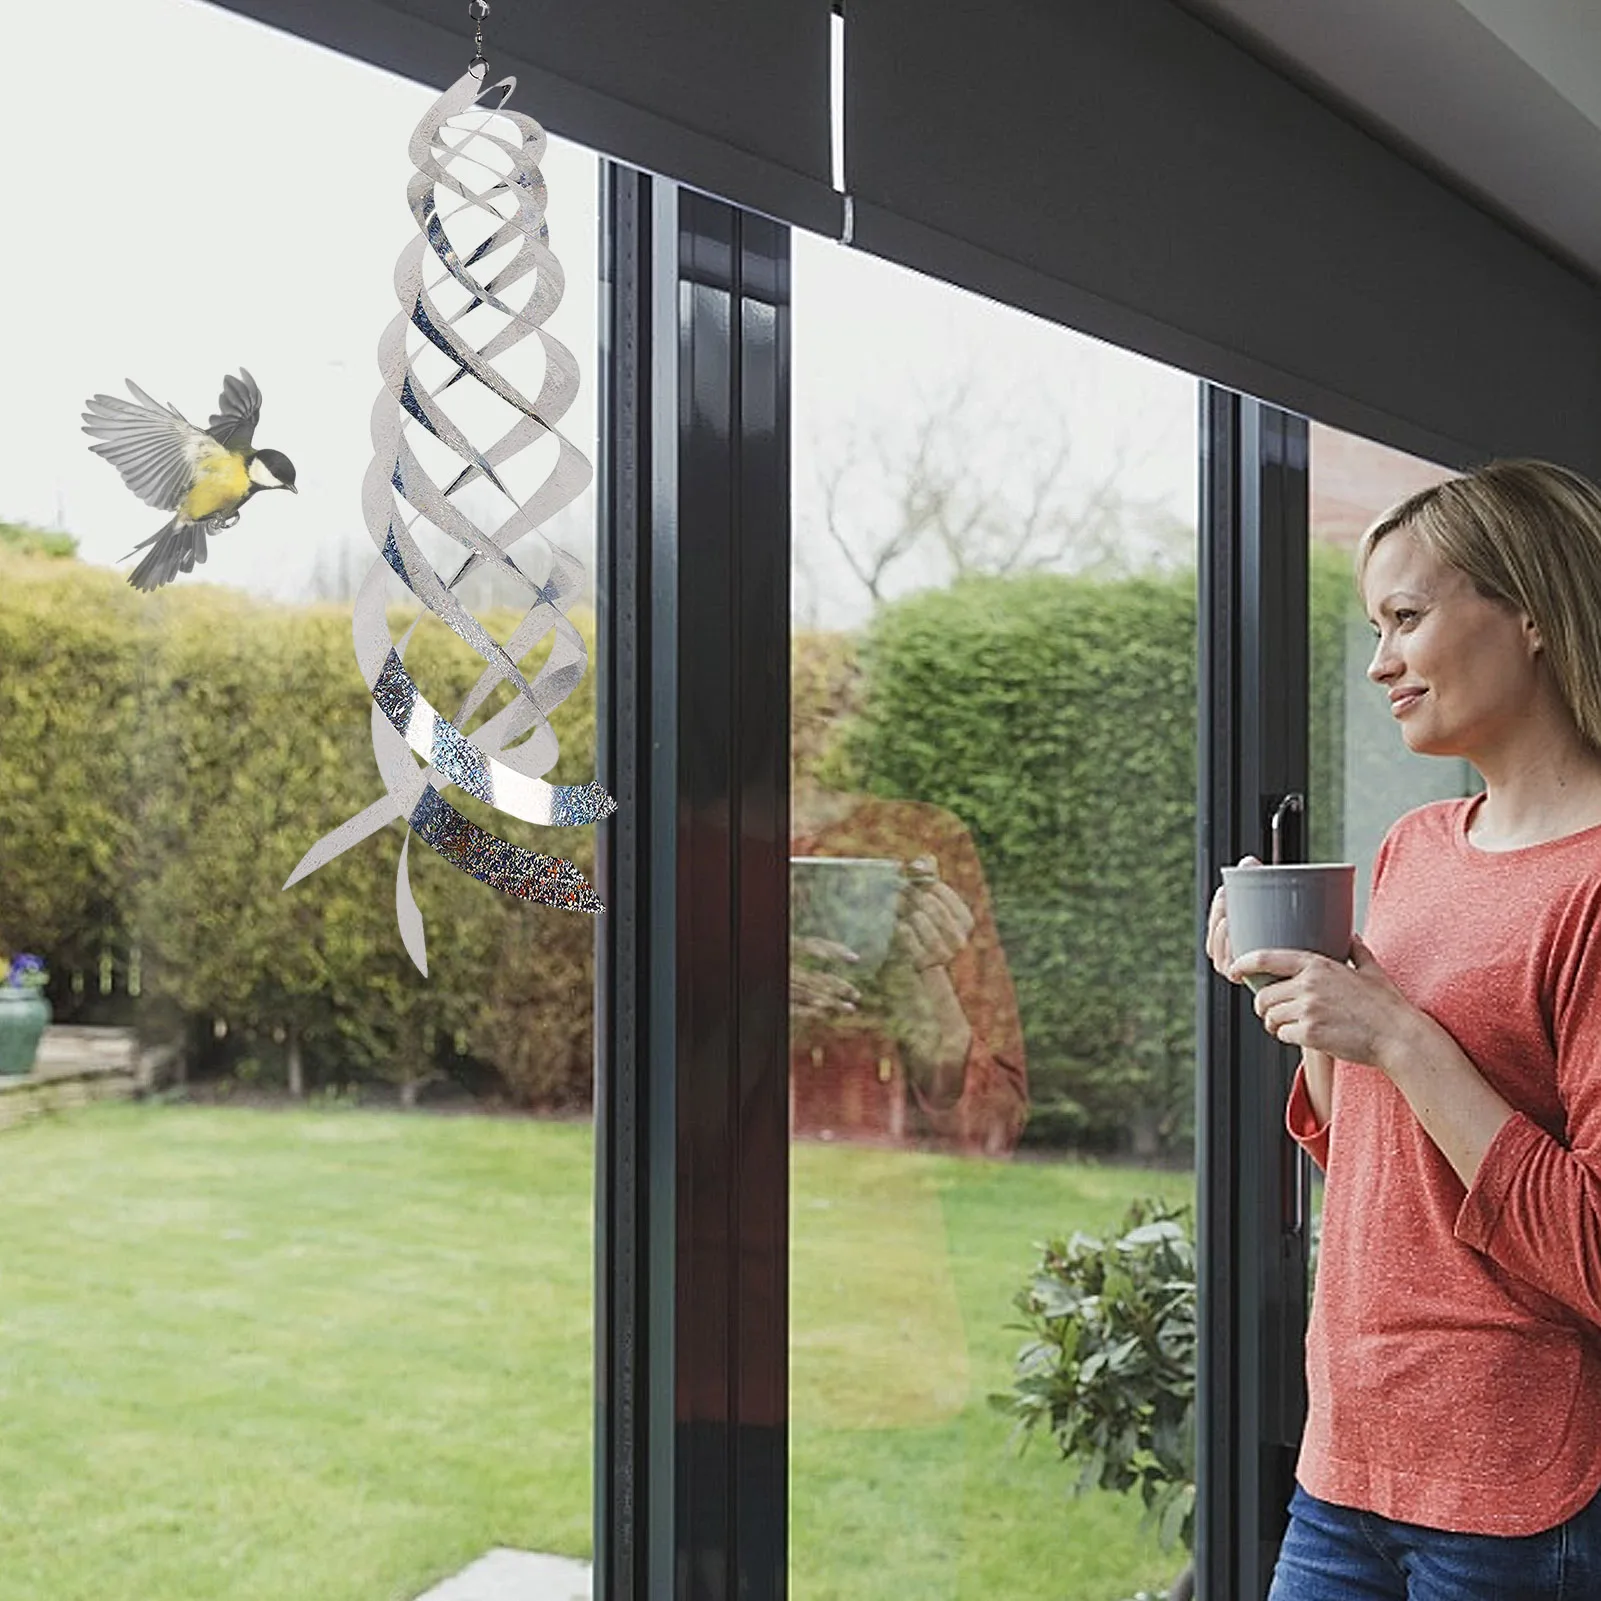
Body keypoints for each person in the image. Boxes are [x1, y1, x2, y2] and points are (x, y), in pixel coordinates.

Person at [1206, 458, 1601, 1598]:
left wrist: (1400, 1037)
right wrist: (1308, 1000)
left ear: (1530, 612)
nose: (1378, 659)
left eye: (1406, 617)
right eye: (1373, 626)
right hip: (1346, 1459)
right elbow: (1372, 1164)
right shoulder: (1412, 848)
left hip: (1514, 1494)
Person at [790, 779, 1027, 1157]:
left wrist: (922, 975)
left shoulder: (919, 837)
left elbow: (993, 1126)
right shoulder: (702, 839)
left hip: (890, 1169)